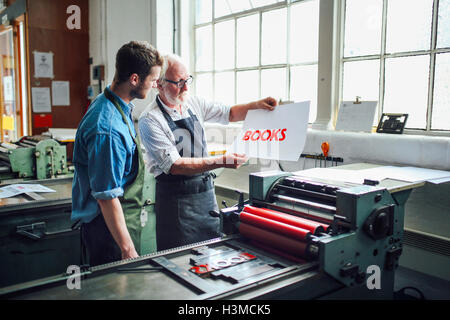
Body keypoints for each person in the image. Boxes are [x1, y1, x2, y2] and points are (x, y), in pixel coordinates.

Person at [138, 54, 278, 251]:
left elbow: (229, 113)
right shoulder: (150, 120)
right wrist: (221, 160)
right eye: (179, 82)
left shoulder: (192, 103)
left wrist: (256, 106)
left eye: (187, 80)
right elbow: (175, 166)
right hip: (176, 205)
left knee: (211, 255)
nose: (186, 88)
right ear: (159, 85)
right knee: (180, 262)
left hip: (205, 197)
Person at [71, 41, 164, 266]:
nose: (154, 85)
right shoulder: (108, 128)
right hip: (105, 228)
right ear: (134, 79)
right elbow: (106, 196)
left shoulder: (113, 103)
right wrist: (127, 248)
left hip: (113, 220)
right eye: (152, 80)